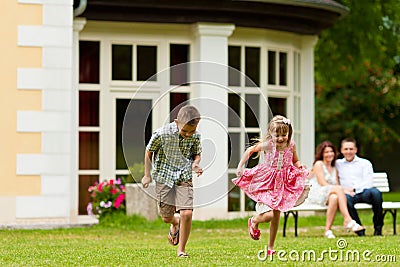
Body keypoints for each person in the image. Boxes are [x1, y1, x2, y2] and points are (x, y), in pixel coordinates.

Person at [232, 115, 309, 255]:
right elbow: (250, 151)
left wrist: (300, 165)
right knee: (269, 216)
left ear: (288, 133)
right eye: (277, 135)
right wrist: (240, 166)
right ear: (271, 134)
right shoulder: (268, 144)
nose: (280, 138)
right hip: (268, 180)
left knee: (277, 215)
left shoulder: (291, 144)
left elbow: (295, 161)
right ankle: (254, 220)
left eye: (283, 135)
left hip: (284, 182)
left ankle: (270, 247)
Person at [141, 105, 203, 258]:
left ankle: (181, 250)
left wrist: (195, 165)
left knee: (187, 213)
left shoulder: (196, 135)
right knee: (166, 217)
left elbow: (196, 154)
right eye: (184, 131)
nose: (188, 134)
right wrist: (147, 175)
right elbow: (149, 152)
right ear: (177, 122)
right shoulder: (162, 134)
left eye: (192, 131)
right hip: (164, 176)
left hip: (184, 175)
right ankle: (175, 223)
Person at [307, 141, 365, 238]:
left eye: (331, 151)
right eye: (326, 152)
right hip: (318, 192)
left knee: (334, 198)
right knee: (337, 191)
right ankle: (348, 219)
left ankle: (327, 230)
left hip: (330, 193)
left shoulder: (334, 167)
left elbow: (337, 185)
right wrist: (343, 190)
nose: (329, 154)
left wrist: (343, 190)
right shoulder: (319, 164)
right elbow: (322, 183)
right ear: (322, 154)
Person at [336, 137, 383, 236]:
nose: (348, 151)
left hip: (364, 192)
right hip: (348, 195)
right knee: (346, 199)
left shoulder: (365, 163)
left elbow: (369, 182)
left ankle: (378, 229)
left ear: (356, 150)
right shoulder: (337, 164)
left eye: (351, 149)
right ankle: (359, 230)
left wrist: (354, 189)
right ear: (341, 150)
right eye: (346, 149)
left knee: (376, 193)